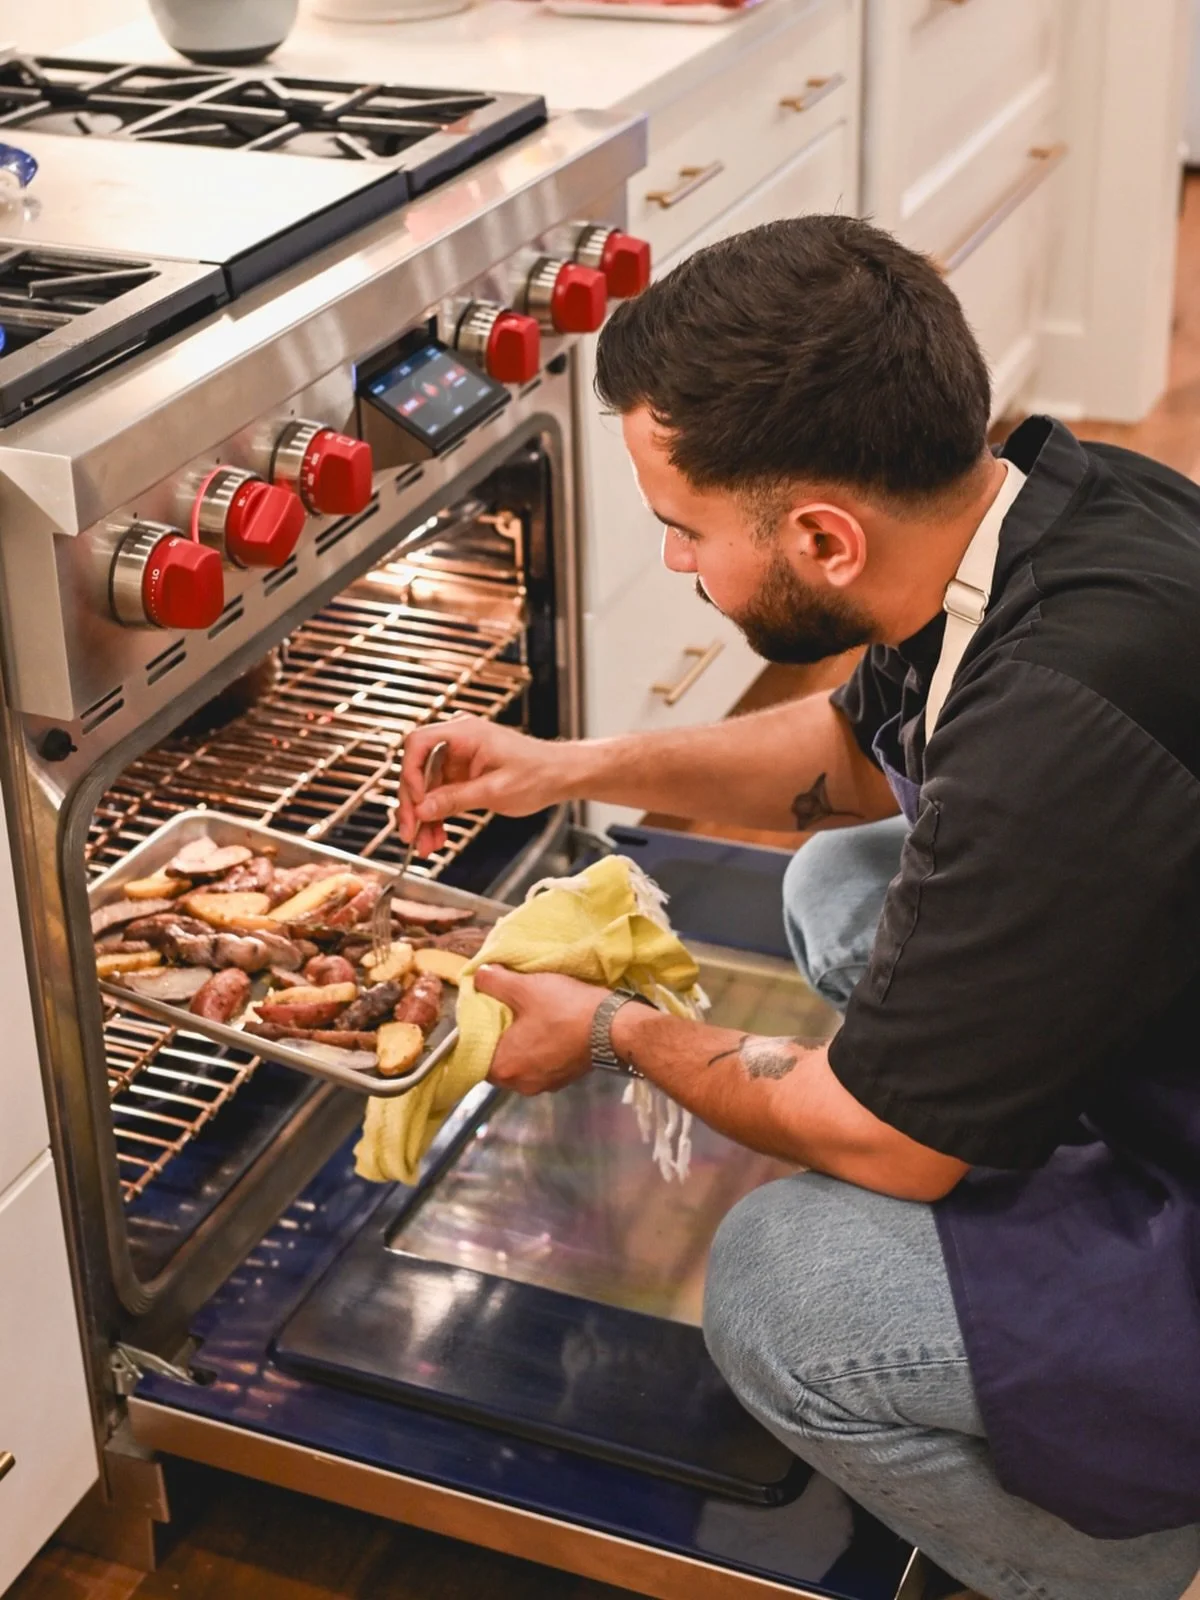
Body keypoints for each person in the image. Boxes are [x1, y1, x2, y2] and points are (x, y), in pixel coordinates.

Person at [397, 216, 1200, 1600]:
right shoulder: (1051, 512)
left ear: (825, 537)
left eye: (684, 529)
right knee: (840, 876)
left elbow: (888, 1145)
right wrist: (566, 766)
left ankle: (1126, 1569)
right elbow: (848, 755)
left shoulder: (1051, 730)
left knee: (782, 1285)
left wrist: (611, 1033)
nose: (675, 564)